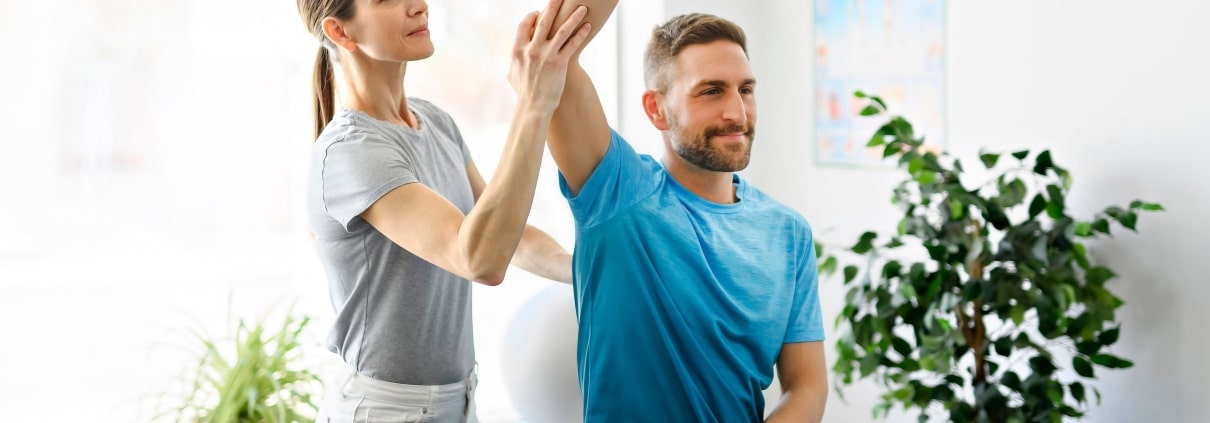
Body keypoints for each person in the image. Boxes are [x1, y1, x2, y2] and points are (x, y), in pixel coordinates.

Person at [294, 0, 592, 421]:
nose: (419, 5)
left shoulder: (434, 122)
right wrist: (534, 103)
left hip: (458, 400)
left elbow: (505, 233)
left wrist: (584, 270)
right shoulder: (351, 152)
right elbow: (479, 257)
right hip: (385, 411)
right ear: (341, 32)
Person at [546, 3, 829, 422]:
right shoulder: (615, 192)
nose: (737, 112)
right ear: (655, 109)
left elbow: (807, 386)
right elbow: (555, 54)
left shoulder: (788, 232)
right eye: (711, 91)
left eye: (745, 89)